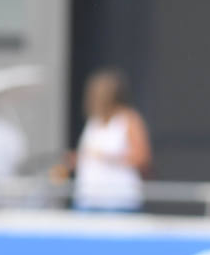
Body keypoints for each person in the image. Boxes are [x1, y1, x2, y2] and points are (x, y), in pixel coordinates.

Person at [53, 68, 152, 212]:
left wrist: (107, 157)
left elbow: (142, 158)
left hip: (118, 201)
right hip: (88, 198)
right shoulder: (94, 121)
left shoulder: (128, 119)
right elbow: (89, 155)